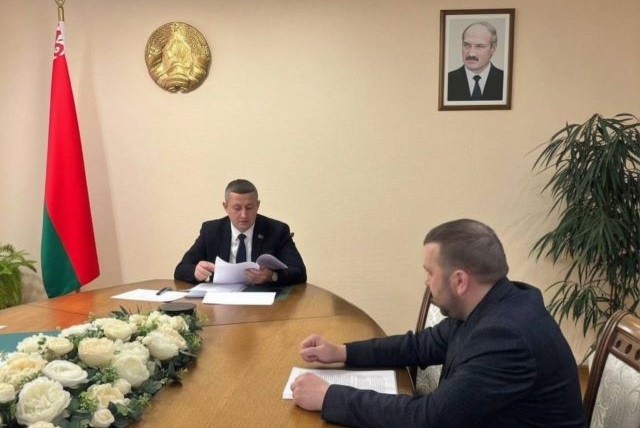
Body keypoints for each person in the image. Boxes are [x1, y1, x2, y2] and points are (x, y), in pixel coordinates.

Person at [291, 219, 585, 428]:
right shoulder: (488, 303)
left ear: (459, 281)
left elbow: (429, 419)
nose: (426, 281)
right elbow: (418, 346)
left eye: (430, 272)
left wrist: (329, 397)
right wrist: (341, 352)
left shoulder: (506, 338)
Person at [174, 179, 306, 286]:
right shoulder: (211, 231)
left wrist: (272, 276)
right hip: (220, 302)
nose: (243, 215)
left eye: (249, 208)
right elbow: (181, 269)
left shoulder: (277, 230)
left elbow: (300, 272)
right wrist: (195, 272)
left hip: (261, 302)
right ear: (225, 207)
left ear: (257, 205)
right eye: (237, 208)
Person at [447, 22, 504, 101]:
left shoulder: (504, 80)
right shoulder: (447, 80)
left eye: (479, 46)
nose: (471, 53)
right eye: (466, 45)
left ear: (493, 49)